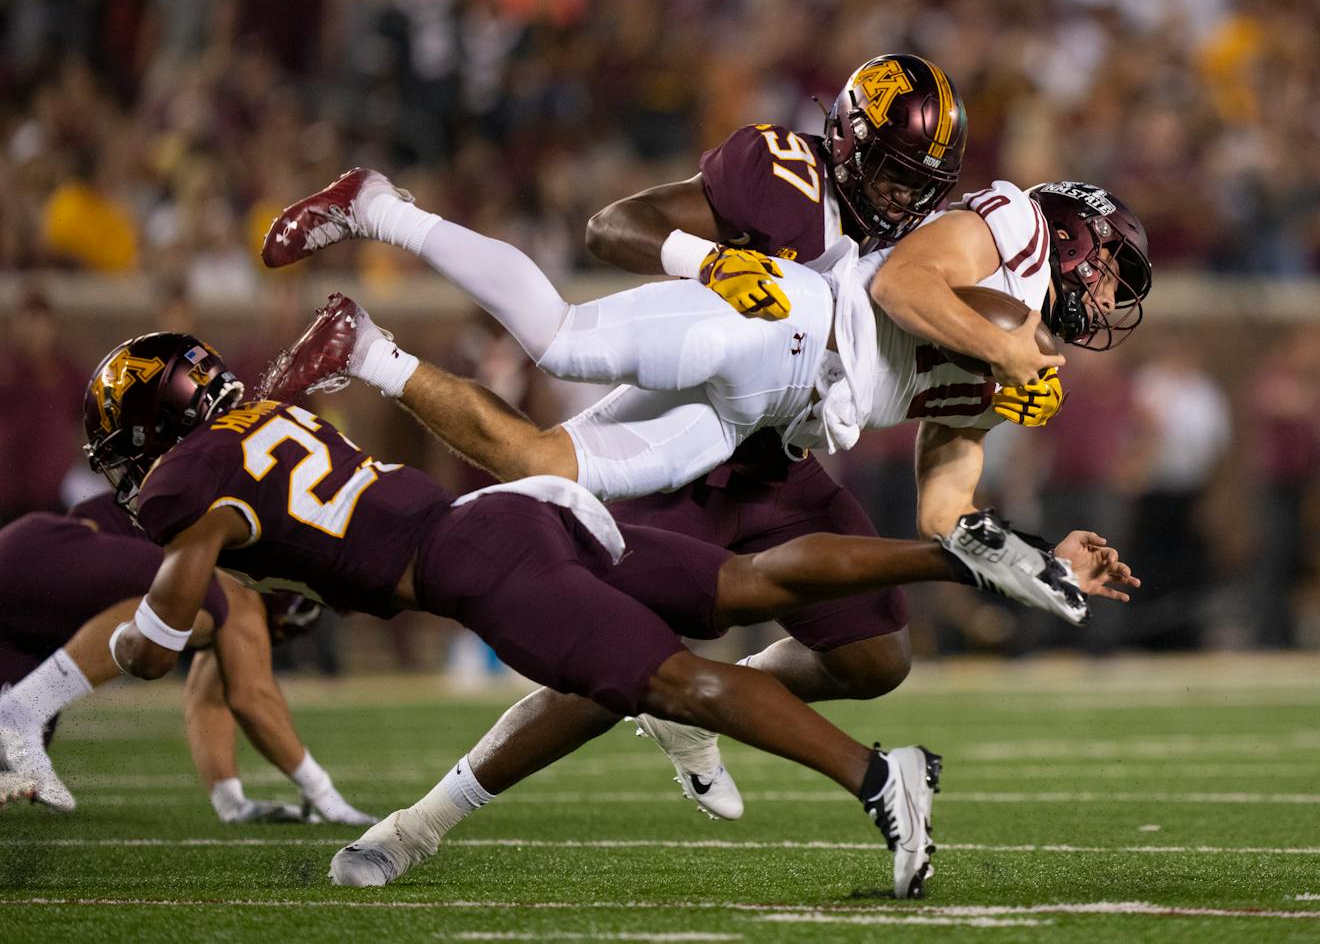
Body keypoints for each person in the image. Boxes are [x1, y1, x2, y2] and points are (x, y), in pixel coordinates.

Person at [88, 332, 1134, 897]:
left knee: (675, 678)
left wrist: (149, 637)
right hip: (518, 514)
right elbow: (306, 535)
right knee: (747, 587)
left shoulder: (186, 485)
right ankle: (967, 559)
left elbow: (189, 569)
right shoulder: (271, 416)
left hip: (472, 559)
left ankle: (877, 774)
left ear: (152, 430)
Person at [258, 158, 1149, 814]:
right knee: (561, 339)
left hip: (771, 415)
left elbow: (942, 502)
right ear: (1072, 236)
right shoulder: (1015, 228)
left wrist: (1028, 559)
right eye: (1110, 272)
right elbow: (909, 284)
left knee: (540, 465)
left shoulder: (1026, 368)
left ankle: (362, 348)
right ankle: (380, 207)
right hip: (785, 328)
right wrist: (1001, 348)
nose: (1109, 301)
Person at [0, 493, 372, 825]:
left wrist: (232, 803)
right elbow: (252, 697)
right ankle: (24, 709)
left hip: (29, 602)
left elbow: (209, 697)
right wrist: (324, 793)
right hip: (43, 556)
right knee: (202, 596)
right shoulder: (232, 580)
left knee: (9, 758)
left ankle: (21, 710)